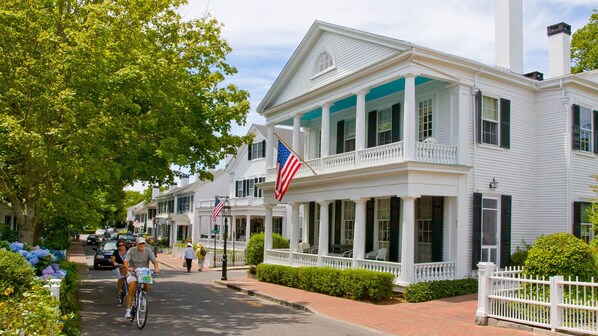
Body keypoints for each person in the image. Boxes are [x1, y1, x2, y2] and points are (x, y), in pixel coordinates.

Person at [123, 237, 159, 319]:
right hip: (133, 272)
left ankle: (143, 297)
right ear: (136, 244)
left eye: (143, 243)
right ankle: (128, 310)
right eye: (140, 244)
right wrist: (128, 268)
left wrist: (156, 268)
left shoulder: (148, 251)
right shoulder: (131, 251)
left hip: (144, 273)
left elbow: (154, 261)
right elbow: (125, 261)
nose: (142, 245)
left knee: (147, 285)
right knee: (132, 286)